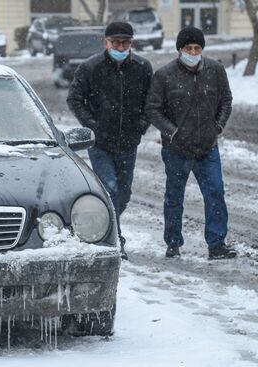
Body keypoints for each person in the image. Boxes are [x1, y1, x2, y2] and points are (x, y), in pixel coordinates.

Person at [144, 27, 236, 260]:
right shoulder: (164, 76)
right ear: (179, 50)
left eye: (197, 48)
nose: (193, 52)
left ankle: (216, 244)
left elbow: (226, 100)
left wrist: (218, 127)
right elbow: (152, 109)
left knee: (215, 192)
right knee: (174, 197)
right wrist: (172, 132)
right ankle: (173, 242)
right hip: (177, 149)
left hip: (207, 147)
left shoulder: (215, 70)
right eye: (188, 48)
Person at [67, 22, 153, 260]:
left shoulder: (142, 67)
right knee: (110, 189)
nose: (120, 46)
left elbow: (151, 101)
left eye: (125, 42)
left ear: (131, 44)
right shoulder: (90, 67)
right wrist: (92, 125)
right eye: (116, 42)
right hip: (100, 143)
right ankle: (115, 240)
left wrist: (141, 126)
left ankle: (107, 227)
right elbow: (74, 99)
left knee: (123, 193)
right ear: (106, 42)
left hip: (128, 141)